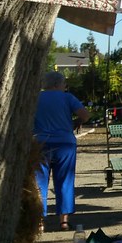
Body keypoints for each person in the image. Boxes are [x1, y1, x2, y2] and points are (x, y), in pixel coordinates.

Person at [33, 71, 90, 232]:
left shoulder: (35, 98)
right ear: (58, 84)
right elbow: (85, 115)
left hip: (40, 144)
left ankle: (39, 222)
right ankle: (63, 222)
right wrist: (76, 121)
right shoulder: (67, 97)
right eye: (64, 83)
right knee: (65, 181)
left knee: (39, 183)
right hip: (65, 143)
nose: (65, 86)